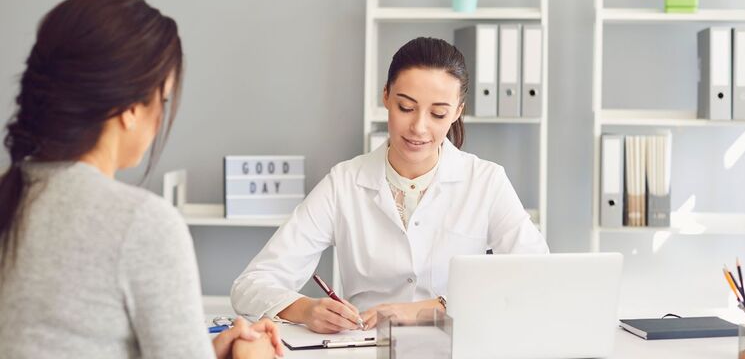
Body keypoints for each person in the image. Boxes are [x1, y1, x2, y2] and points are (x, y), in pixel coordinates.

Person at [0, 0, 283, 358]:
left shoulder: (12, 194)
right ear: (130, 109)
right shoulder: (139, 223)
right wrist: (253, 354)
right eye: (162, 100)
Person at [231, 36, 549, 333]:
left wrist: (431, 308)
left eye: (438, 114)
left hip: (456, 343)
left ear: (457, 112)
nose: (419, 127)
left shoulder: (486, 182)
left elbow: (537, 276)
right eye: (406, 107)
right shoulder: (344, 183)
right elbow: (251, 284)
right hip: (367, 346)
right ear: (386, 96)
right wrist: (305, 309)